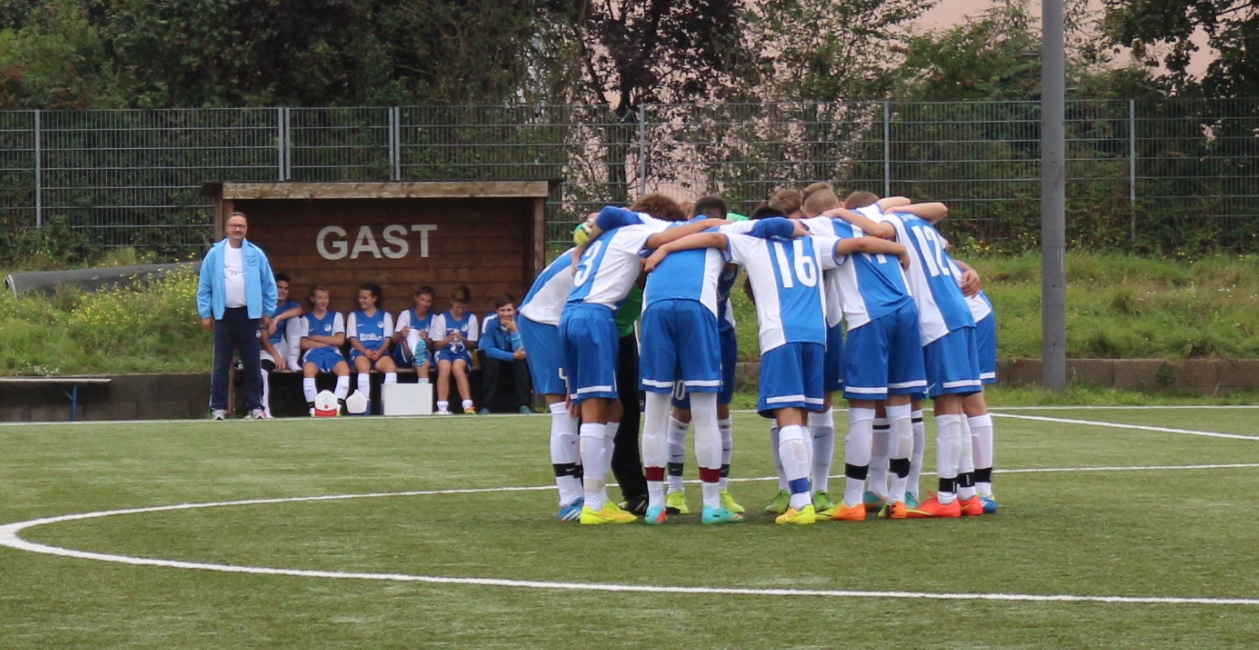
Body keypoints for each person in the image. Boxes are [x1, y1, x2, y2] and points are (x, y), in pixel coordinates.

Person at [645, 217, 909, 525]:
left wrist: (666, 248)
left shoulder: (753, 243)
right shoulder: (814, 243)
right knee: (804, 417)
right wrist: (898, 249)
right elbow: (860, 244)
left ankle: (800, 502)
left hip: (781, 336)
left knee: (788, 417)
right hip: (817, 338)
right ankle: (808, 494)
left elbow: (714, 239)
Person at [562, 201, 719, 525]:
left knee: (612, 408)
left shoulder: (604, 236)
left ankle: (600, 497)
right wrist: (707, 224)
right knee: (594, 412)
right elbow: (665, 238)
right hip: (595, 316)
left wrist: (580, 248)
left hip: (572, 314)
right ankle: (594, 503)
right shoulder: (633, 232)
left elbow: (601, 219)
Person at [845, 192, 983, 518]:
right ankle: (968, 494)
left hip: (936, 318)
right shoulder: (920, 223)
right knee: (955, 405)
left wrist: (843, 214)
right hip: (958, 311)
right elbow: (941, 207)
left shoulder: (890, 223)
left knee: (947, 406)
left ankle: (946, 499)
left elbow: (877, 231)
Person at [799, 183, 927, 521]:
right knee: (900, 408)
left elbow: (787, 230)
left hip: (869, 317)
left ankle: (853, 500)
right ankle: (897, 499)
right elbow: (902, 199)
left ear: (809, 213)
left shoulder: (817, 226)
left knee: (862, 411)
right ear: (839, 203)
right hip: (906, 310)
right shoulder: (871, 212)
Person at [663, 196, 746, 518]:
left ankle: (718, 490)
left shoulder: (725, 239)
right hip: (691, 331)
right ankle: (676, 491)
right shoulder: (696, 241)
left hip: (719, 331)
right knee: (684, 412)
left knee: (718, 410)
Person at [518, 246, 583, 521]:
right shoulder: (614, 252)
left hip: (554, 319)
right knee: (565, 409)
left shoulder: (606, 244)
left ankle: (582, 493)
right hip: (544, 321)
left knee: (576, 409)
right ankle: (570, 499)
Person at [197, 211, 278, 421]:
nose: (237, 229)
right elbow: (204, 286)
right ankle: (218, 408)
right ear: (227, 229)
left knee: (252, 363)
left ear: (246, 229)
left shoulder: (255, 254)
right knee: (221, 363)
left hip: (249, 316)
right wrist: (205, 313)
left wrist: (268, 311)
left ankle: (255, 406)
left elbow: (269, 284)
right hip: (223, 315)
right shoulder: (215, 254)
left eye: (241, 226)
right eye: (234, 226)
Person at [296, 285, 351, 415]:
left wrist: (316, 338)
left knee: (344, 369)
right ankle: (314, 410)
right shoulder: (305, 319)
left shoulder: (336, 316)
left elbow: (340, 340)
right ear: (312, 299)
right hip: (313, 353)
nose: (323, 301)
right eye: (319, 298)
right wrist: (328, 341)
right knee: (308, 370)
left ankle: (336, 408)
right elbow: (304, 343)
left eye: (326, 298)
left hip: (333, 352)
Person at [258, 273, 304, 418]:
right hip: (269, 349)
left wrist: (278, 318)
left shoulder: (289, 305)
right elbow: (264, 338)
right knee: (263, 372)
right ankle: (264, 410)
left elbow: (299, 310)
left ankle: (292, 359)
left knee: (294, 319)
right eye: (279, 287)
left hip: (285, 346)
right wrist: (276, 357)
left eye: (286, 288)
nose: (282, 291)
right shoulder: (264, 307)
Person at [478, 295, 533, 414]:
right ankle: (487, 406)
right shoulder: (489, 321)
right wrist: (512, 356)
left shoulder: (521, 322)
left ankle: (524, 404)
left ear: (514, 310)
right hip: (491, 355)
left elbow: (520, 350)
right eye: (502, 310)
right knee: (492, 363)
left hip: (513, 354)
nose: (506, 314)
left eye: (509, 310)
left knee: (521, 363)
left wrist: (514, 331)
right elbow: (489, 350)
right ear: (497, 311)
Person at [347, 283, 398, 409]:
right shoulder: (354, 316)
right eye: (360, 297)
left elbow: (388, 338)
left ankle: (388, 406)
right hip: (360, 352)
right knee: (363, 367)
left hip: (380, 353)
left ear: (374, 298)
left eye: (365, 298)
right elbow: (352, 339)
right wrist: (364, 351)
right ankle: (365, 406)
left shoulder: (385, 316)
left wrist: (380, 352)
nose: (361, 300)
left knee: (391, 367)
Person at [431, 285, 479, 415]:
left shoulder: (471, 318)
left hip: (462, 351)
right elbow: (436, 345)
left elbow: (473, 345)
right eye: (458, 307)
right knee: (444, 367)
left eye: (463, 307)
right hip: (444, 351)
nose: (460, 311)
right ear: (452, 302)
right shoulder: (442, 318)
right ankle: (442, 407)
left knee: (457, 368)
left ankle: (468, 406)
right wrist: (448, 339)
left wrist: (463, 338)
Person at [392, 286, 436, 381]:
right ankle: (416, 352)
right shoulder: (406, 314)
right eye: (422, 300)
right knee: (410, 337)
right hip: (405, 354)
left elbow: (433, 345)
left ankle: (423, 384)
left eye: (428, 301)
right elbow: (394, 340)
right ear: (416, 298)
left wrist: (425, 339)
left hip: (424, 353)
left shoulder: (434, 318)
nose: (425, 304)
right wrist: (401, 334)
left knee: (422, 360)